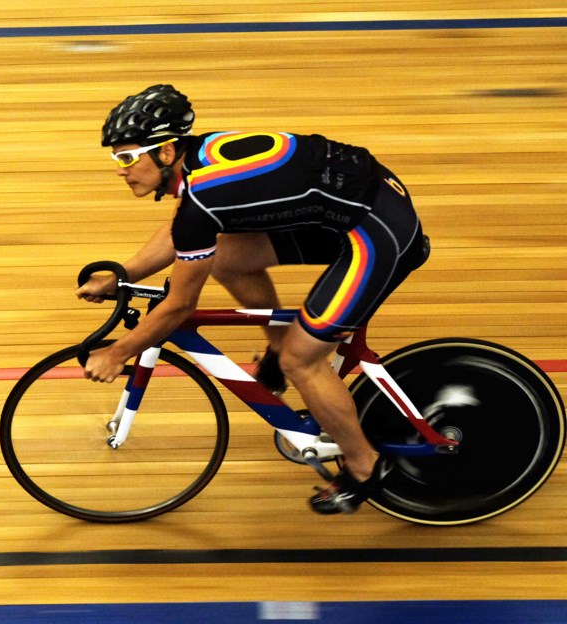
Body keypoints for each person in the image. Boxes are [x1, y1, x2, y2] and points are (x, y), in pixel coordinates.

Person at [76, 84, 429, 514]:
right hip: (355, 205)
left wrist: (120, 351)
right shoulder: (201, 160)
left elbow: (180, 305)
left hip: (378, 231)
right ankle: (279, 353)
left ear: (166, 153)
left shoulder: (202, 199)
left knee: (306, 357)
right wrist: (123, 276)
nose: (120, 169)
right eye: (117, 159)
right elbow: (185, 233)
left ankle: (363, 467)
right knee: (225, 256)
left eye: (128, 157)